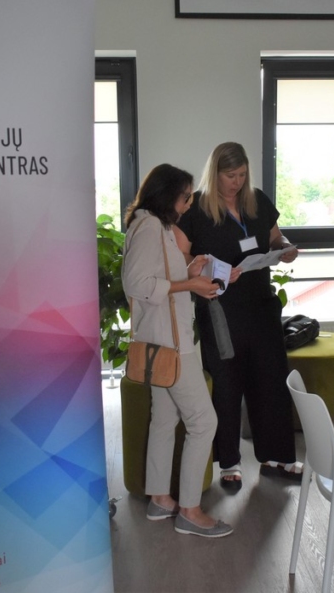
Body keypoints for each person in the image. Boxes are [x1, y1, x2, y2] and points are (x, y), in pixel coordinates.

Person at [175, 142, 301, 493]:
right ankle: (229, 462)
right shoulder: (196, 209)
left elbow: (276, 237)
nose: (237, 182)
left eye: (242, 174)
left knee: (271, 378)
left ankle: (277, 457)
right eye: (230, 175)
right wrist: (206, 268)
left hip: (260, 303)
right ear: (215, 173)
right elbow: (181, 259)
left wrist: (284, 249)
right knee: (227, 384)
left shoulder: (257, 200)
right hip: (220, 309)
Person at [122, 164, 233, 538]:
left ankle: (159, 500)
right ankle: (190, 510)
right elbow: (138, 284)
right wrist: (190, 285)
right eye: (185, 197)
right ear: (166, 194)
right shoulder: (150, 227)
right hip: (171, 343)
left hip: (163, 340)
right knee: (204, 422)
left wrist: (190, 270)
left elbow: (160, 277)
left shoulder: (155, 225)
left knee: (165, 418)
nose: (187, 205)